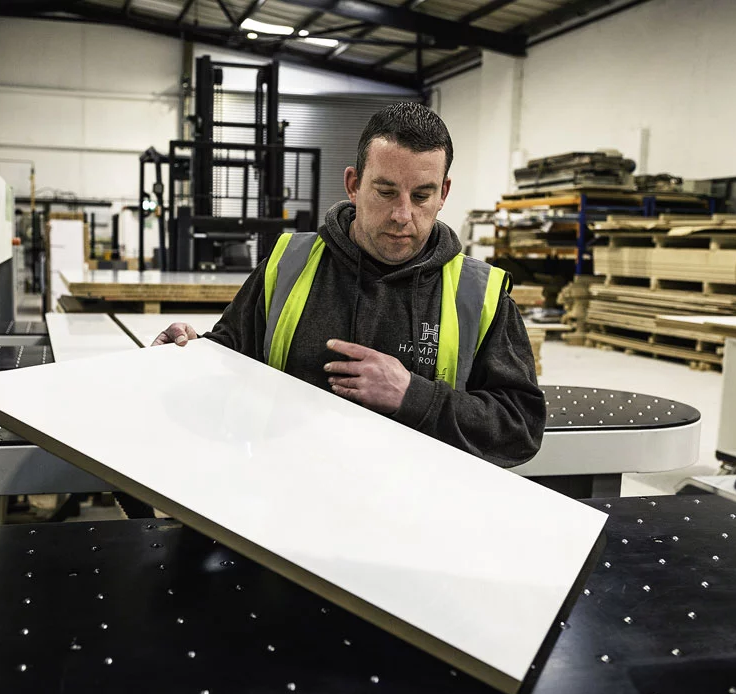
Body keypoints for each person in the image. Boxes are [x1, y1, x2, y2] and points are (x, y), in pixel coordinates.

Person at [152, 102, 545, 468]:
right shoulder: (288, 264)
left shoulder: (478, 295)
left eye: (421, 195)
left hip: (416, 514)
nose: (402, 215)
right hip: (285, 496)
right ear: (354, 184)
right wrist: (190, 351)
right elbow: (229, 359)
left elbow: (519, 428)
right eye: (386, 191)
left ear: (443, 194)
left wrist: (414, 396)